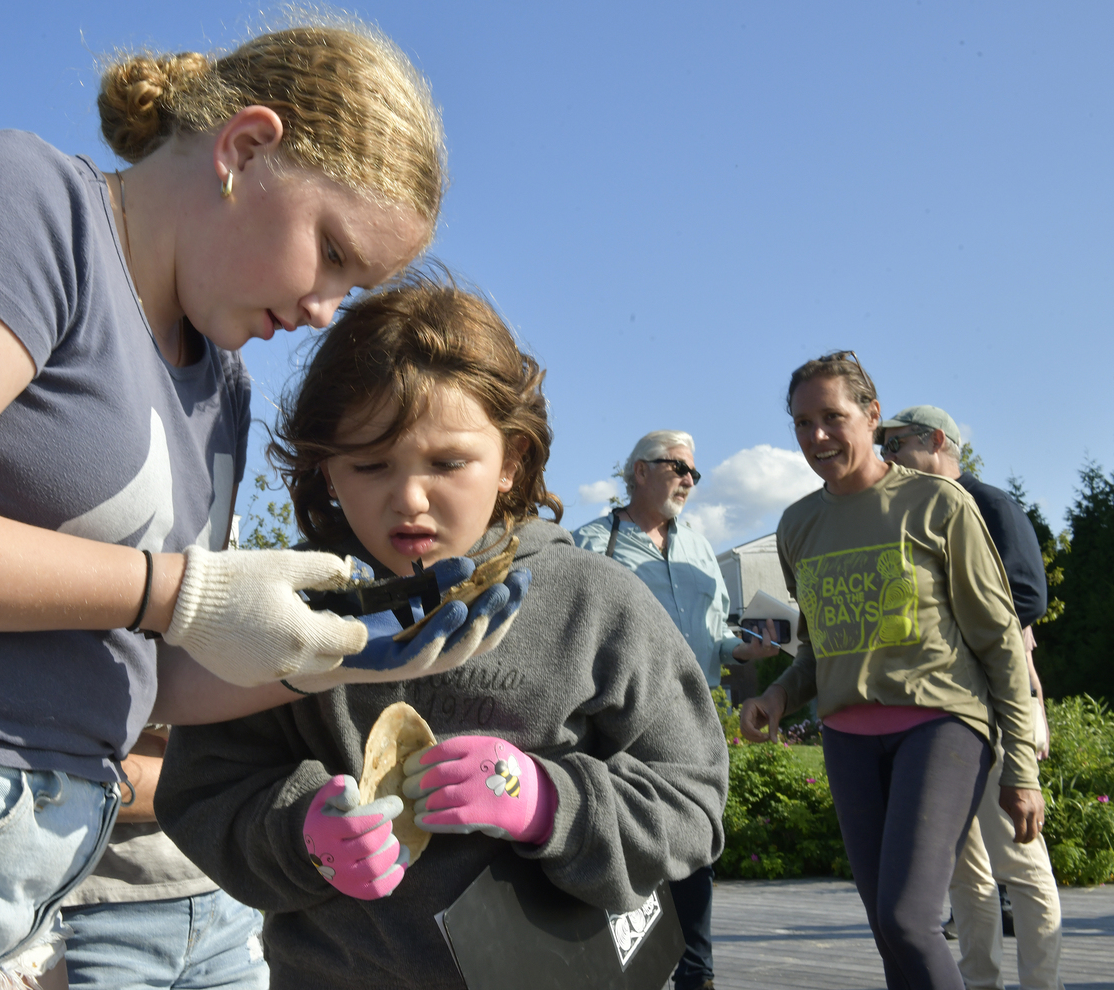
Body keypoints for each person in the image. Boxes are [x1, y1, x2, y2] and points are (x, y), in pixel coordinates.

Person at [0, 21, 523, 990]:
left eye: (355, 285)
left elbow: (142, 673)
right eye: (329, 251)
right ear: (244, 149)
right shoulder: (28, 203)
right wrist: (178, 587)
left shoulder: (222, 388)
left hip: (15, 888)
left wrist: (345, 656)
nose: (326, 307)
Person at [154, 276, 730, 990]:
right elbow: (202, 790)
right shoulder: (289, 614)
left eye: (449, 463)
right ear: (326, 469)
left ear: (512, 458)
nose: (410, 497)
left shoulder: (596, 602)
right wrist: (303, 832)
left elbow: (692, 797)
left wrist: (548, 801)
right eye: (369, 464)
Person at [739, 352, 1042, 990]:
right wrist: (777, 695)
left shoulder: (939, 505)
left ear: (872, 416)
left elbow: (999, 643)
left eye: (832, 417)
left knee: (908, 919)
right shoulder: (798, 525)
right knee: (887, 928)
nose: (816, 436)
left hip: (942, 727)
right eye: (801, 422)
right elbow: (823, 646)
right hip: (848, 737)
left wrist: (1021, 767)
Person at [572, 429, 780, 990]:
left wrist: (744, 649)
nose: (689, 481)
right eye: (678, 468)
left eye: (694, 473)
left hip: (690, 716)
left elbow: (714, 638)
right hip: (613, 719)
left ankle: (697, 974)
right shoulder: (589, 544)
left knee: (692, 839)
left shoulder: (699, 549)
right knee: (615, 840)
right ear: (640, 471)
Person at [879, 404, 1063, 990]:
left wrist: (948, 626)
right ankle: (979, 982)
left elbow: (1028, 598)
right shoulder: (907, 513)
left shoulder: (991, 505)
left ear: (936, 442)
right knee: (965, 872)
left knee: (1021, 864)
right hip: (943, 715)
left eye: (896, 444)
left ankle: (1042, 985)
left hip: (996, 703)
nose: (886, 457)